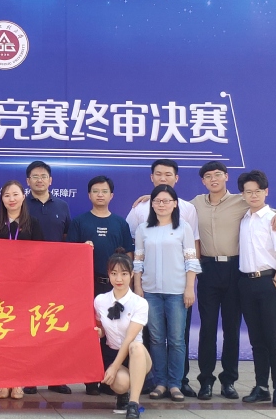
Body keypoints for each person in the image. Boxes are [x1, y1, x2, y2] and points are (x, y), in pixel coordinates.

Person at [190, 161, 276, 401]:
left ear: (226, 177)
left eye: (218, 174)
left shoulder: (241, 200)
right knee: (207, 328)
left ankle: (229, 381)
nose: (213, 179)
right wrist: (147, 198)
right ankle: (206, 381)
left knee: (231, 329)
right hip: (207, 269)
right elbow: (171, 205)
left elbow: (263, 207)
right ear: (203, 181)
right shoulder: (195, 204)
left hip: (235, 270)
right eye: (208, 176)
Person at [126, 159, 200, 398]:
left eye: (166, 201)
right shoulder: (143, 229)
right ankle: (160, 383)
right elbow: (138, 261)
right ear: (152, 204)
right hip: (151, 292)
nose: (161, 204)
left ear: (175, 204)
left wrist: (190, 288)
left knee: (177, 340)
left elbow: (191, 260)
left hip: (178, 291)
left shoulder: (184, 228)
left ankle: (175, 383)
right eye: (157, 201)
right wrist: (138, 287)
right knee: (157, 339)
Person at [70, 176, 134, 396]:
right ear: (89, 195)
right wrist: (82, 248)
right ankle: (90, 381)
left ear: (111, 195)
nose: (100, 194)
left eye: (104, 191)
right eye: (95, 191)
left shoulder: (120, 223)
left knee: (113, 333)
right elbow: (70, 255)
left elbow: (128, 256)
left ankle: (111, 380)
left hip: (116, 288)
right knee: (91, 332)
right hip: (89, 287)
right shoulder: (79, 222)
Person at [236, 170, 276, 407]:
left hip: (268, 282)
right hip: (245, 283)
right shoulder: (243, 218)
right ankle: (261, 387)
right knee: (256, 339)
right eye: (248, 192)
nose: (253, 195)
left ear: (266, 192)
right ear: (243, 194)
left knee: (273, 338)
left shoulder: (275, 219)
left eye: (257, 191)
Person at [0, 180, 44, 400]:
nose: (11, 199)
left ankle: (19, 379)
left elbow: (42, 255)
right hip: (0, 288)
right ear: (1, 199)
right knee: (2, 334)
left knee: (21, 335)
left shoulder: (34, 224)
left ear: (23, 196)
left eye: (15, 194)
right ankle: (2, 379)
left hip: (25, 289)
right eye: (6, 195)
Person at [24, 160, 73, 395]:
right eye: (35, 176)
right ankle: (30, 377)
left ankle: (56, 378)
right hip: (27, 277)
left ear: (50, 180)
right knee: (29, 326)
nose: (39, 180)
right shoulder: (21, 205)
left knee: (54, 326)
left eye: (43, 176)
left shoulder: (62, 206)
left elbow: (68, 239)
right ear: (28, 181)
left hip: (56, 276)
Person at [94, 248, 153, 419]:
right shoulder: (100, 301)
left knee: (135, 346)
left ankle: (133, 404)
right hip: (112, 353)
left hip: (137, 356)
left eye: (124, 274)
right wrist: (99, 332)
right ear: (108, 274)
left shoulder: (140, 303)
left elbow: (129, 338)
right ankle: (123, 394)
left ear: (132, 274)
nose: (118, 279)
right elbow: (101, 329)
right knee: (120, 384)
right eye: (114, 273)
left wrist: (113, 367)